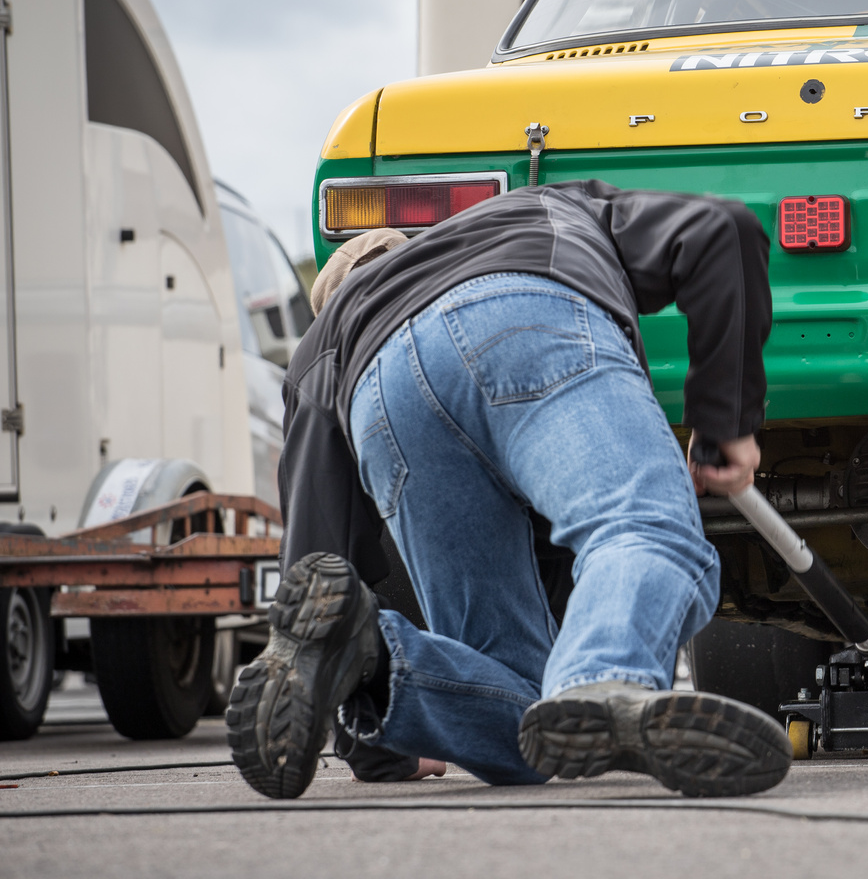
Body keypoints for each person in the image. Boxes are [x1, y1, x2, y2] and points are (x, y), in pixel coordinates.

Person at [226, 180, 789, 800]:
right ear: (418, 244)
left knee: (514, 704)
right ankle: (605, 681)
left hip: (380, 389)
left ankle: (376, 662)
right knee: (642, 528)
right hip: (523, 310)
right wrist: (724, 424)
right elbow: (723, 228)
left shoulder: (322, 342)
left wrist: (375, 747)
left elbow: (319, 565)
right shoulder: (532, 208)